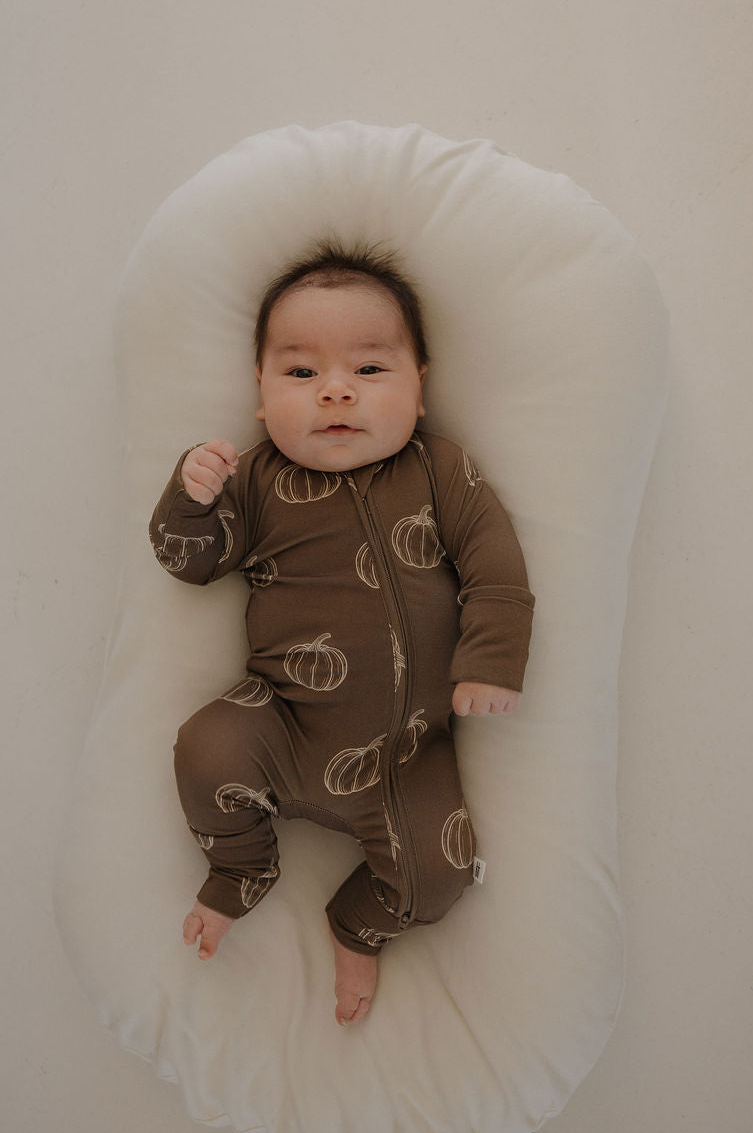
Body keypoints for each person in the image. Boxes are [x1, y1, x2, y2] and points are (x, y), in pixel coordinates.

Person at [150, 239, 534, 1025]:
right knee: (203, 746)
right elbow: (189, 563)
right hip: (285, 726)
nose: (335, 393)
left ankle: (358, 923)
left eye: (368, 370)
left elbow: (497, 569)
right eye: (300, 373)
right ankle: (240, 870)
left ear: (419, 390)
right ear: (260, 396)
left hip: (408, 756)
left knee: (443, 873)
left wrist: (491, 660)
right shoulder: (256, 481)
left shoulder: (440, 470)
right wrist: (190, 501)